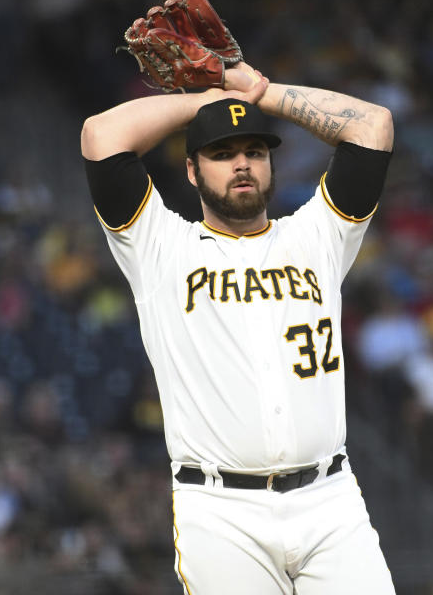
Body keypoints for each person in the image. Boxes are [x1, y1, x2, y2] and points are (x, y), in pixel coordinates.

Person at [80, 61, 396, 593]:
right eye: (222, 154)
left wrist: (262, 94)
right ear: (191, 171)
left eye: (254, 151)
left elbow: (373, 127)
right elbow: (101, 135)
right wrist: (204, 99)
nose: (242, 164)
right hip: (222, 511)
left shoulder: (318, 235)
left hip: (330, 499)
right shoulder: (160, 247)